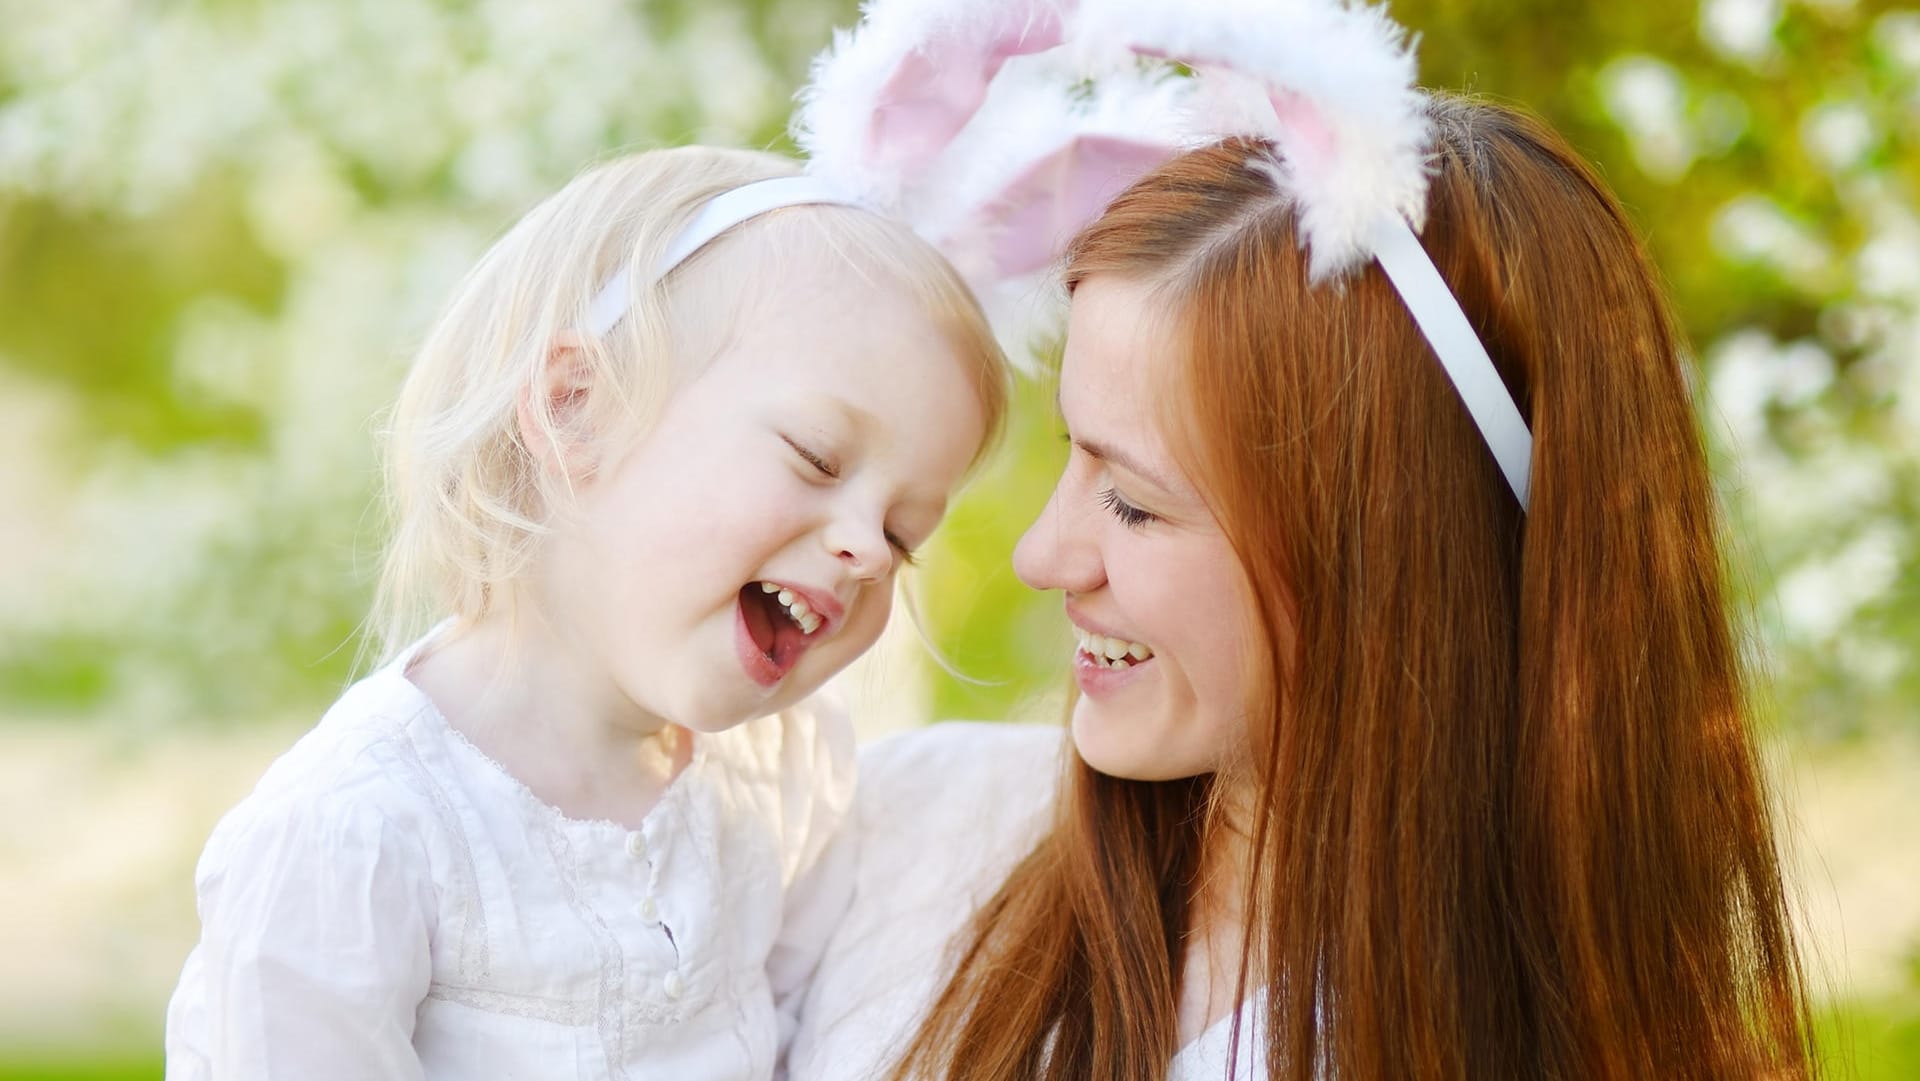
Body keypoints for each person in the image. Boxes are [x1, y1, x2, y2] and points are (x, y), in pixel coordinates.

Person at [782, 13, 1820, 1081]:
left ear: (1392, 569)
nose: (1043, 556)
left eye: (1133, 502)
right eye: (1069, 453)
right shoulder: (896, 835)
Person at [162, 144, 1009, 1080]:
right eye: (815, 456)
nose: (866, 548)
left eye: (904, 529)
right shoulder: (358, 835)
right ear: (576, 407)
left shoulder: (780, 779)